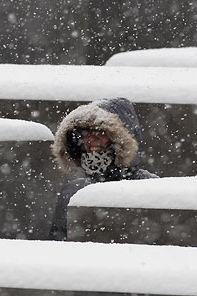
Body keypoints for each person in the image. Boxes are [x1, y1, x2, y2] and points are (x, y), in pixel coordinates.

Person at [48, 97, 158, 240]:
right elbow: (57, 247)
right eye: (86, 132)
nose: (91, 139)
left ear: (120, 139)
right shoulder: (72, 191)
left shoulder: (151, 187)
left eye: (100, 131)